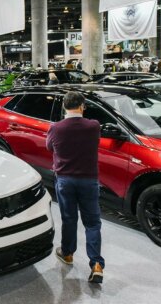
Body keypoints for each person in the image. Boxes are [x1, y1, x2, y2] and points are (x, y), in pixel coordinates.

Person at [46, 91, 104, 284]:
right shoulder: (93, 126)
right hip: (89, 180)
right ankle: (96, 264)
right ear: (82, 106)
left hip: (65, 180)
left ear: (64, 106)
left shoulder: (56, 128)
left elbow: (49, 147)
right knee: (92, 223)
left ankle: (68, 253)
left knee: (69, 218)